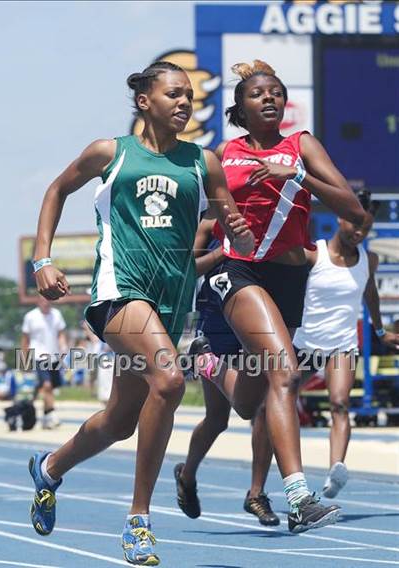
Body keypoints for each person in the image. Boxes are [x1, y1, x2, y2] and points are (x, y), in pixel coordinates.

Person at [27, 60, 254, 566]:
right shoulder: (111, 153)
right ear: (144, 101)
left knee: (119, 422)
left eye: (189, 97)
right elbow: (56, 191)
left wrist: (237, 230)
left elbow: (229, 217)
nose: (183, 103)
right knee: (171, 382)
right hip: (120, 290)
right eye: (173, 94)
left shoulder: (203, 162)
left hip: (173, 300)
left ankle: (49, 468)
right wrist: (42, 259)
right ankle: (139, 522)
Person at [187, 59, 366, 533]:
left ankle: (208, 361)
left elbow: (353, 209)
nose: (269, 98)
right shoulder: (226, 153)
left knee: (253, 402)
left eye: (276, 92)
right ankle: (299, 498)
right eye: (257, 94)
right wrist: (229, 226)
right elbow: (212, 215)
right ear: (240, 109)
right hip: (239, 271)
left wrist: (297, 177)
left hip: (288, 282)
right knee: (284, 373)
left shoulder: (301, 145)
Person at [293, 190, 399, 498]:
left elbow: (371, 296)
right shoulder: (314, 254)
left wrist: (380, 332)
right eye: (355, 224)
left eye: (365, 228)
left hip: (342, 345)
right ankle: (261, 482)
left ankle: (335, 470)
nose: (359, 233)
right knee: (273, 406)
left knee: (340, 403)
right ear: (340, 218)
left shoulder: (370, 260)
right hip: (306, 343)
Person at [174, 216, 279, 526]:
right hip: (217, 322)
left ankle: (256, 494)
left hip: (255, 315)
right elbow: (187, 270)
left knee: (262, 408)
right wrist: (226, 251)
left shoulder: (266, 217)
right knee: (218, 418)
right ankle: (187, 475)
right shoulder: (208, 224)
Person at [21, 295, 68, 429]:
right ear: (38, 301)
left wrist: (63, 345)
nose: (46, 303)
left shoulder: (56, 315)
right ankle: (52, 415)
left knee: (51, 386)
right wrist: (24, 360)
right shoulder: (30, 317)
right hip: (38, 355)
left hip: (53, 356)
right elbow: (25, 339)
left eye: (48, 300)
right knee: (47, 385)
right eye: (43, 300)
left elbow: (60, 333)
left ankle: (45, 416)